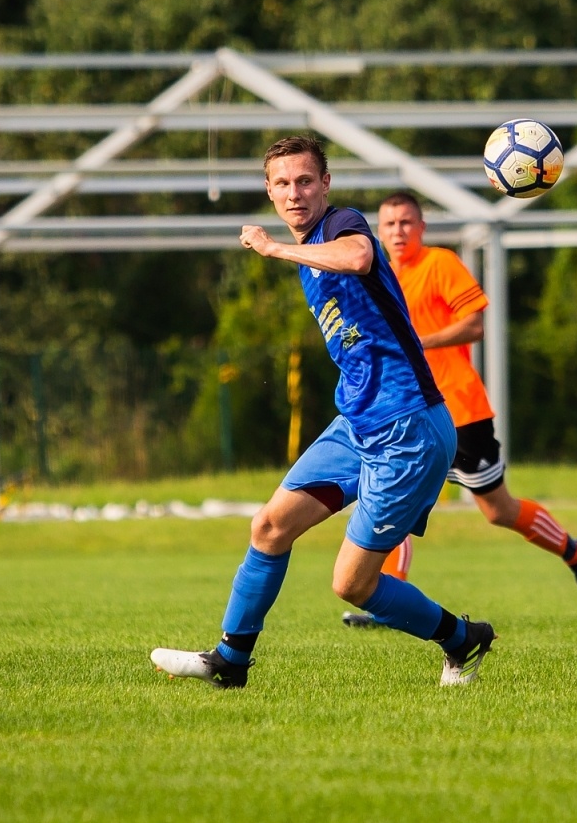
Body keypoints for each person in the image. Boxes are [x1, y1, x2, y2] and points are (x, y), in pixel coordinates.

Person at [151, 136, 496, 688]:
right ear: (268, 191)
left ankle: (462, 639)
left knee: (353, 586)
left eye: (305, 181)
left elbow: (359, 257)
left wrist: (274, 249)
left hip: (407, 428)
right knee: (268, 527)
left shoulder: (341, 226)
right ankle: (230, 662)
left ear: (326, 185)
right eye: (282, 184)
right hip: (357, 423)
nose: (294, 193)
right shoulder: (311, 248)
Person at [339, 191, 577, 629]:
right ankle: (386, 600)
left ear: (421, 227)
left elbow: (474, 324)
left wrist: (417, 343)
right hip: (405, 411)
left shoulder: (439, 264)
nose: (398, 231)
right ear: (377, 232)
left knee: (499, 510)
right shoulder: (377, 274)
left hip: (459, 410)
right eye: (389, 224)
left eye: (406, 222)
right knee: (391, 499)